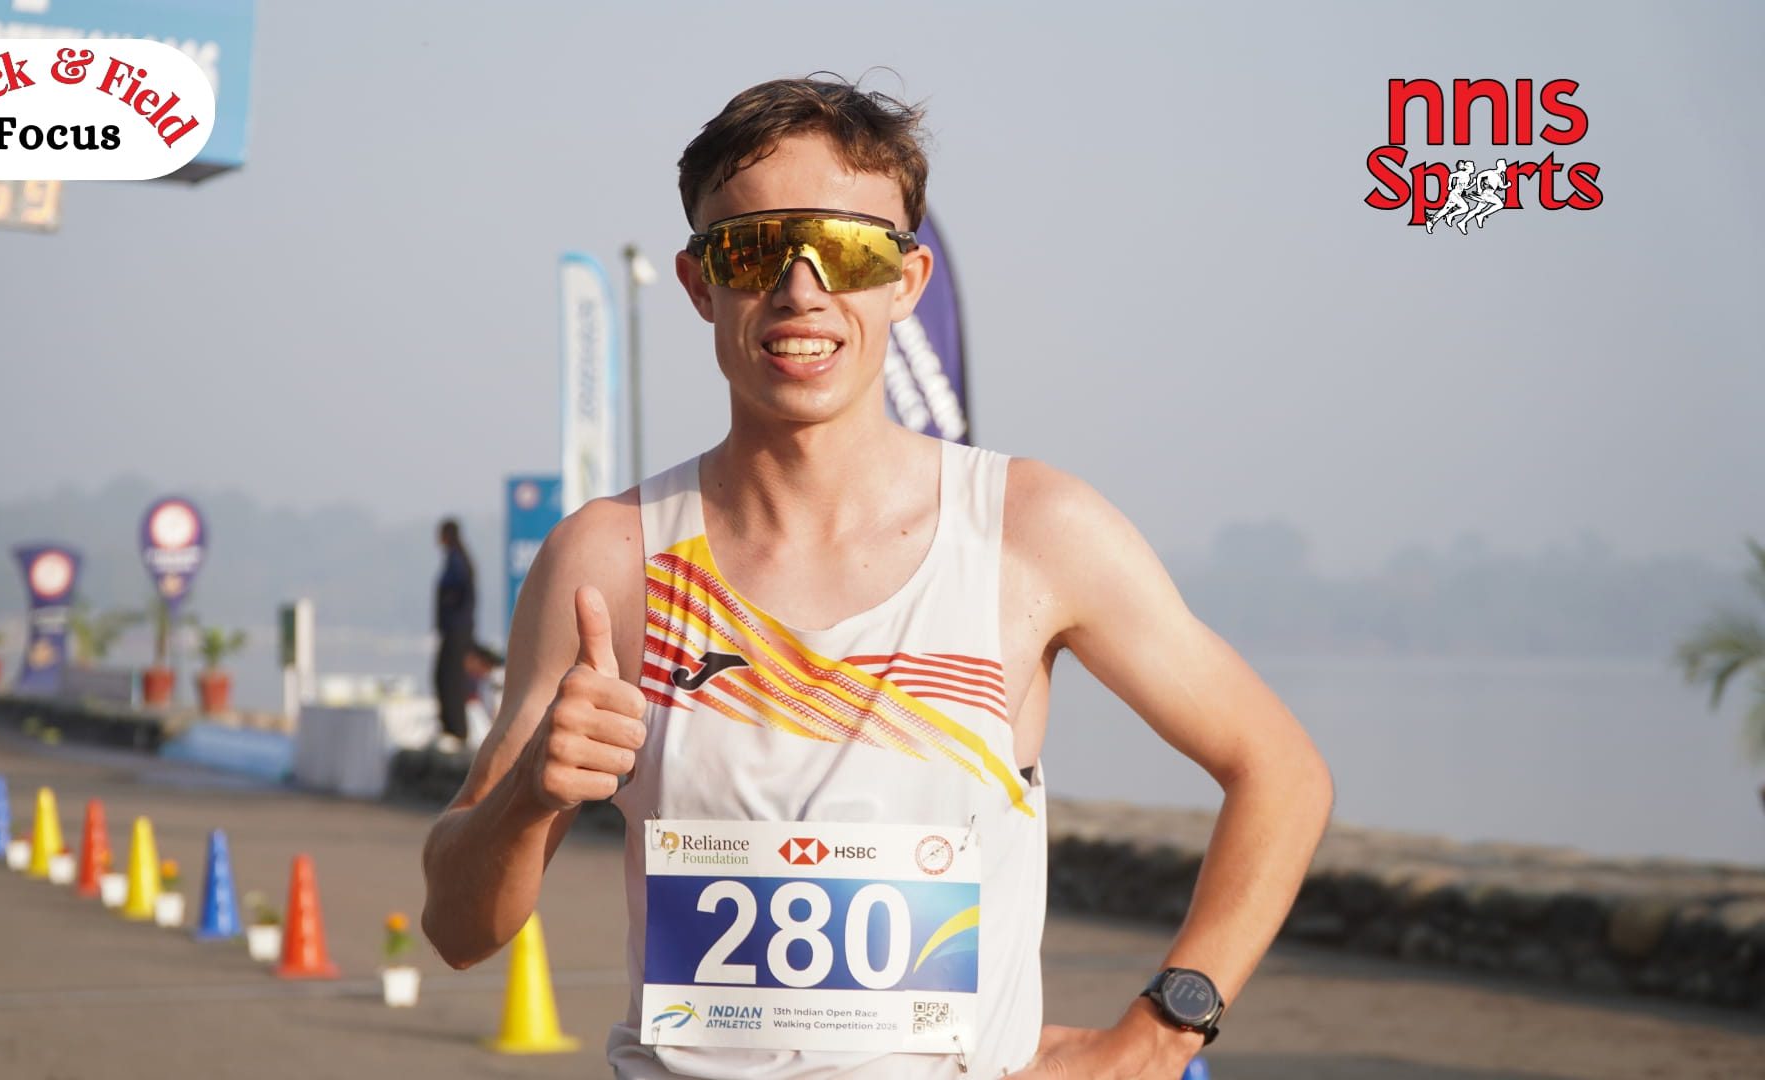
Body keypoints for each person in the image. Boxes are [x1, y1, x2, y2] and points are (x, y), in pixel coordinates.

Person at [422, 75, 1334, 1079]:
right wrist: (527, 799)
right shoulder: (609, 561)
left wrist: (1161, 1032)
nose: (801, 290)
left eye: (849, 249)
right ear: (698, 282)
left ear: (906, 279)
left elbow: (1280, 773)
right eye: (755, 248)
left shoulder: (1032, 533)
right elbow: (459, 931)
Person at [431, 517, 476, 750]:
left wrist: (450, 612)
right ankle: (450, 727)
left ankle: (456, 730)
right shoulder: (455, 558)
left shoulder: (458, 561)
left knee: (450, 678)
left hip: (457, 629)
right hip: (454, 629)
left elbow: (458, 592)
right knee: (443, 676)